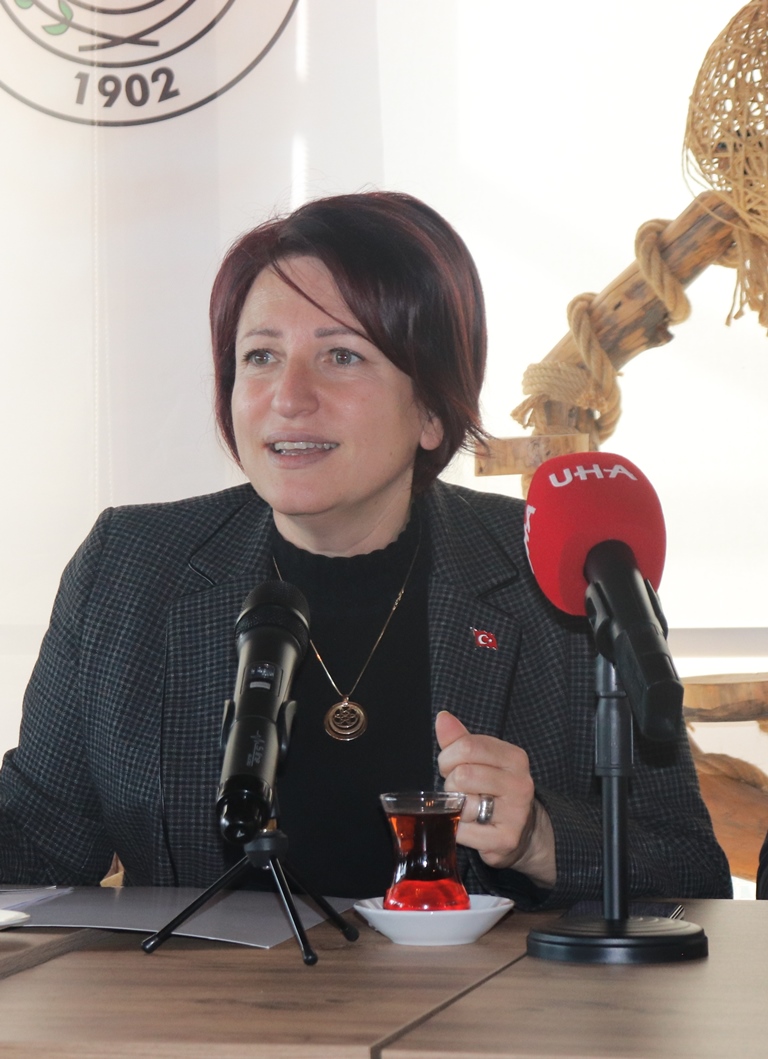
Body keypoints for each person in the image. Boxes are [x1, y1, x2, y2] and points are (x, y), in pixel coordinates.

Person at [0, 191, 732, 908]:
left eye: (342, 356)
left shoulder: (556, 570)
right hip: (201, 991)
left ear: (433, 410)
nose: (289, 396)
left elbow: (691, 871)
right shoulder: (129, 569)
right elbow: (35, 845)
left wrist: (539, 837)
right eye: (260, 355)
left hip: (474, 996)